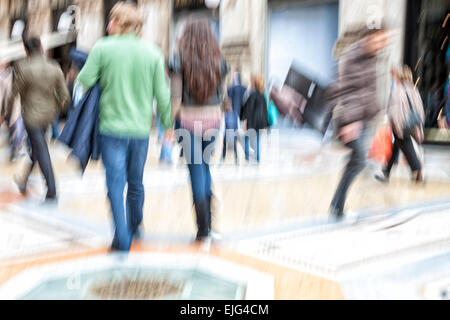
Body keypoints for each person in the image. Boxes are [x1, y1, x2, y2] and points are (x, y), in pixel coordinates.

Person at [75, 2, 172, 252]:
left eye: (111, 20)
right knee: (136, 182)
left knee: (115, 185)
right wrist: (168, 124)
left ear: (121, 22)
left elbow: (84, 80)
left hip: (111, 129)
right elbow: (163, 95)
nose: (108, 25)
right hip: (140, 131)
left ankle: (122, 238)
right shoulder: (152, 53)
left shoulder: (103, 48)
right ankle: (136, 225)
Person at [170, 18, 229, 242]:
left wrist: (167, 124)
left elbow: (175, 98)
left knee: (196, 170)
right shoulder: (219, 61)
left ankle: (203, 228)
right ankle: (210, 224)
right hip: (213, 121)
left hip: (187, 122)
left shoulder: (178, 60)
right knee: (204, 167)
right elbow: (224, 97)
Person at [328, 24, 391, 221]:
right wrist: (348, 121)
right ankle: (336, 207)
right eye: (379, 39)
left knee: (357, 162)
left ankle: (337, 206)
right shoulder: (352, 56)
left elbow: (370, 90)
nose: (382, 44)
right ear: (369, 38)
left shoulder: (372, 58)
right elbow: (344, 89)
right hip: (352, 120)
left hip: (365, 119)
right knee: (358, 161)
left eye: (384, 40)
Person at [6, 37, 70, 200]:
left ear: (26, 50)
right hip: (49, 115)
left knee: (40, 148)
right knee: (37, 147)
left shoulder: (22, 66)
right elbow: (65, 96)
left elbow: (14, 93)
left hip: (31, 115)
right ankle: (24, 180)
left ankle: (52, 189)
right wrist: (57, 108)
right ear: (41, 47)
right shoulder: (54, 66)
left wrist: (7, 115)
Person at [375, 65, 425, 183]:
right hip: (411, 124)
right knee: (395, 149)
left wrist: (393, 126)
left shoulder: (398, 90)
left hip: (401, 127)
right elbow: (420, 109)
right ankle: (386, 173)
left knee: (408, 149)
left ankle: (418, 170)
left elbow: (394, 111)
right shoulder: (414, 89)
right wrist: (419, 127)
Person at [240, 75, 269, 163]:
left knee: (246, 138)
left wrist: (244, 119)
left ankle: (247, 155)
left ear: (254, 84)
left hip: (252, 121)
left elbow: (248, 109)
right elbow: (265, 111)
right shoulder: (263, 96)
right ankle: (257, 158)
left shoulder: (253, 95)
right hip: (260, 122)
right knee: (257, 140)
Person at [223, 72, 246, 164]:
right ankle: (238, 157)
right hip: (238, 115)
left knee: (229, 137)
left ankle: (223, 158)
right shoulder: (244, 89)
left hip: (232, 114)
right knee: (236, 137)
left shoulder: (230, 89)